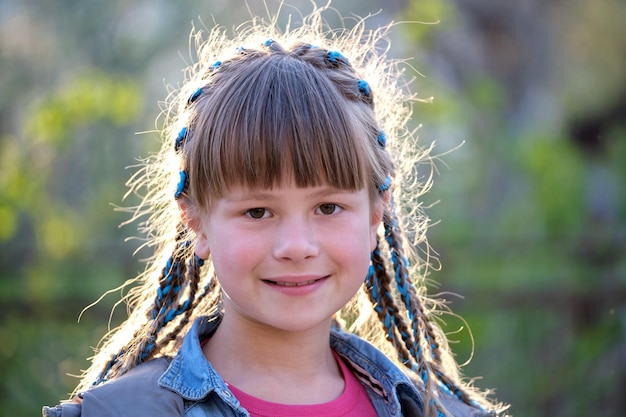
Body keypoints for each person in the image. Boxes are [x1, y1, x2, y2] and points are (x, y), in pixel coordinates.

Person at [43, 6, 508, 417]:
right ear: (196, 221)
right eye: (258, 212)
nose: (296, 247)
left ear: (375, 214)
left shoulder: (435, 412)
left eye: (328, 207)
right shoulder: (119, 412)